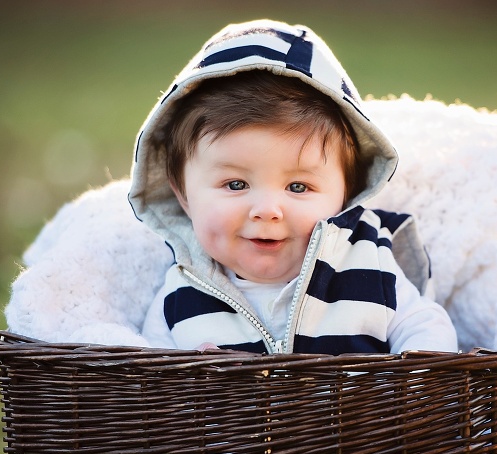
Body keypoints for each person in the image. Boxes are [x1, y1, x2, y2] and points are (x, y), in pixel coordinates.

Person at [129, 19, 457, 354]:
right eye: (236, 184)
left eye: (298, 187)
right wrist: (194, 381)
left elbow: (424, 324)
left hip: (364, 407)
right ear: (184, 195)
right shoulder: (182, 289)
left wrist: (410, 382)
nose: (268, 210)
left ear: (346, 192)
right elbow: (151, 381)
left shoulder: (367, 259)